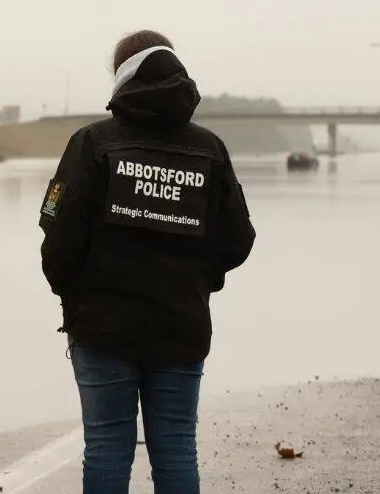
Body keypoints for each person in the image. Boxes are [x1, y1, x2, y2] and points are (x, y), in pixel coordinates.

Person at [38, 29, 255, 494]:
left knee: (106, 444)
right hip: (182, 323)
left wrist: (74, 296)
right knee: (176, 446)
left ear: (120, 77)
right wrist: (196, 280)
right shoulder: (208, 149)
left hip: (101, 327)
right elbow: (238, 241)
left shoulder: (93, 143)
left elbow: (58, 240)